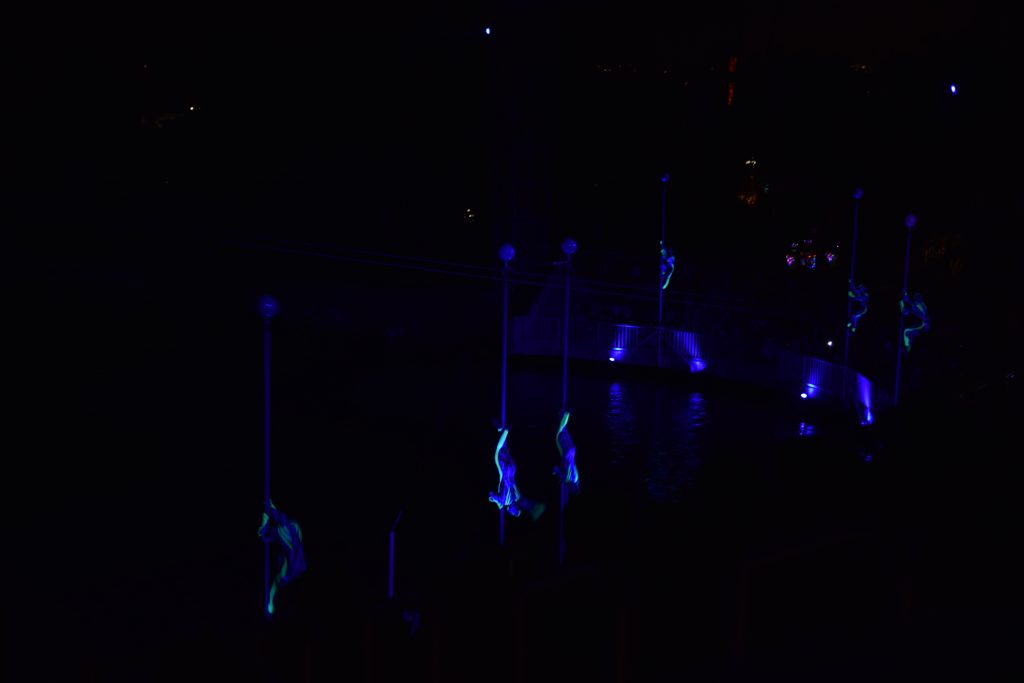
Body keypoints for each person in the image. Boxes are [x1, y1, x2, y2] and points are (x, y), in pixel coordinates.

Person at [258, 500, 306, 616]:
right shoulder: (285, 529)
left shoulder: (289, 529)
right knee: (279, 578)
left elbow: (272, 531)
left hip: (291, 559)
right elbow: (268, 534)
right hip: (291, 558)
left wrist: (270, 511)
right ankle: (271, 603)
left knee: (280, 578)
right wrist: (270, 510)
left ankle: (272, 603)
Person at [488, 428, 545, 521]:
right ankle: (506, 430)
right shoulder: (508, 500)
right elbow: (491, 495)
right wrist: (496, 501)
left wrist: (498, 501)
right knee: (499, 449)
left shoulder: (515, 497)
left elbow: (513, 491)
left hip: (512, 469)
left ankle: (501, 430)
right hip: (506, 471)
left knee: (503, 449)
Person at [553, 410, 580, 494]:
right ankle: (567, 413)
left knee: (563, 431)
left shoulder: (576, 478)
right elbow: (555, 469)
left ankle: (563, 415)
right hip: (566, 452)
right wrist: (555, 472)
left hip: (572, 451)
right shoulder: (567, 479)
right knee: (559, 433)